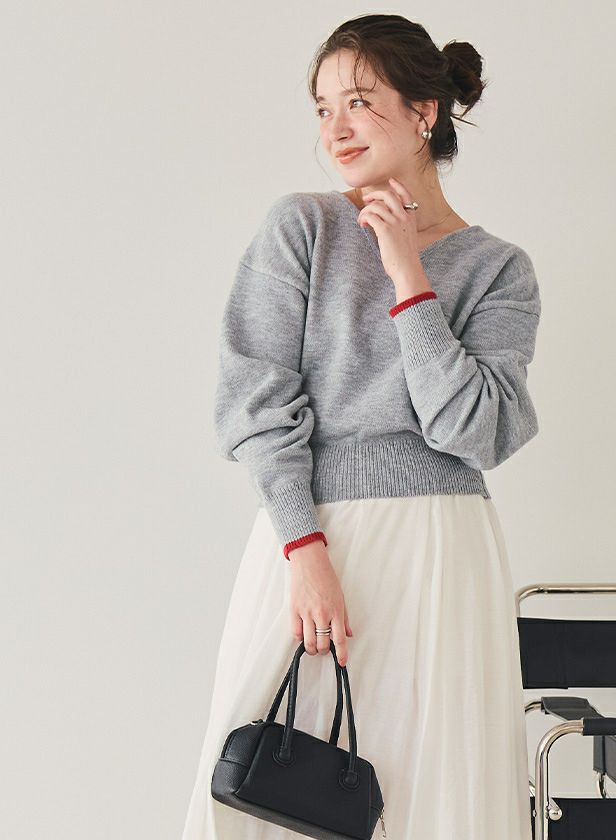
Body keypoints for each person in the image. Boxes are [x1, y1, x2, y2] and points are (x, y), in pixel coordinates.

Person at [183, 13, 541, 840]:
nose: (334, 129)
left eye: (358, 101)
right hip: (314, 541)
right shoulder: (301, 228)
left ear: (424, 112)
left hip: (441, 552)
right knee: (264, 793)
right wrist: (305, 550)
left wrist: (408, 275)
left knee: (433, 793)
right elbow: (254, 402)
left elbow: (475, 432)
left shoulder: (498, 268)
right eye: (322, 108)